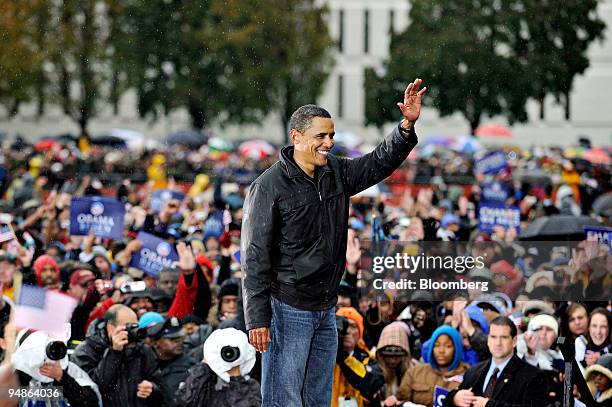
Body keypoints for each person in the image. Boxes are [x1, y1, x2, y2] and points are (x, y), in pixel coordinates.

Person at [242, 78, 425, 406]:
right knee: (284, 400)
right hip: (288, 308)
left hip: (326, 308)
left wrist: (406, 127)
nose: (329, 142)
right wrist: (257, 318)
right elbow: (254, 257)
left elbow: (377, 163)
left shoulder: (336, 173)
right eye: (321, 136)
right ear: (296, 137)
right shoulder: (268, 186)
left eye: (331, 135)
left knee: (317, 400)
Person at [71, 304, 165, 406]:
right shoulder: (86, 351)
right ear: (111, 328)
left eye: (135, 326)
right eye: (129, 326)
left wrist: (152, 389)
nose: (133, 331)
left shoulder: (142, 350)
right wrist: (114, 353)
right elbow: (91, 391)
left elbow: (162, 388)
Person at [444, 316, 548, 407]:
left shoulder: (534, 376)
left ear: (514, 341)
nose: (498, 343)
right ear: (488, 340)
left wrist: (489, 405)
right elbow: (447, 401)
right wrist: (454, 397)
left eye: (504, 337)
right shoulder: (473, 371)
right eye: (493, 337)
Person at [175, 328, 261, 407]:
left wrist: (236, 378)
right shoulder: (206, 383)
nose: (228, 355)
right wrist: (206, 364)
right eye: (225, 351)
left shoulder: (251, 386)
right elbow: (185, 402)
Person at [396, 325, 470, 407]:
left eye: (448, 346)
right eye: (437, 345)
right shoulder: (415, 372)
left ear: (457, 348)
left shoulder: (469, 375)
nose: (441, 351)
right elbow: (400, 401)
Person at [332, 307, 384, 407]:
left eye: (352, 326)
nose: (347, 331)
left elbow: (369, 386)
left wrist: (346, 354)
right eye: (343, 325)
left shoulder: (370, 359)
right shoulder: (323, 356)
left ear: (360, 333)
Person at [148, 316, 197, 406]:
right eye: (172, 339)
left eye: (180, 338)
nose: (178, 342)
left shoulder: (190, 366)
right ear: (155, 343)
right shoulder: (146, 364)